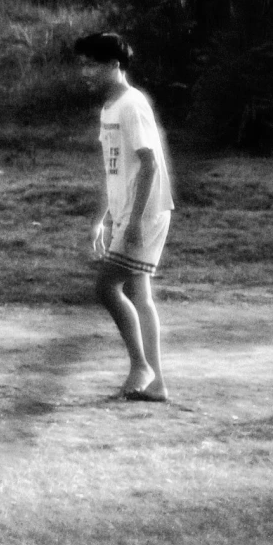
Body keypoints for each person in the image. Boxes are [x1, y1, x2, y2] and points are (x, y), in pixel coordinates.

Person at [76, 32, 175, 401]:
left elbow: (149, 163)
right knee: (138, 293)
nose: (84, 72)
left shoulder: (132, 104)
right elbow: (116, 170)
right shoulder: (108, 109)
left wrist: (133, 222)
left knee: (106, 287)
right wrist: (103, 217)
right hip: (126, 212)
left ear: (114, 65)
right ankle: (157, 383)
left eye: (92, 64)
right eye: (82, 64)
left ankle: (140, 365)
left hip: (144, 212)